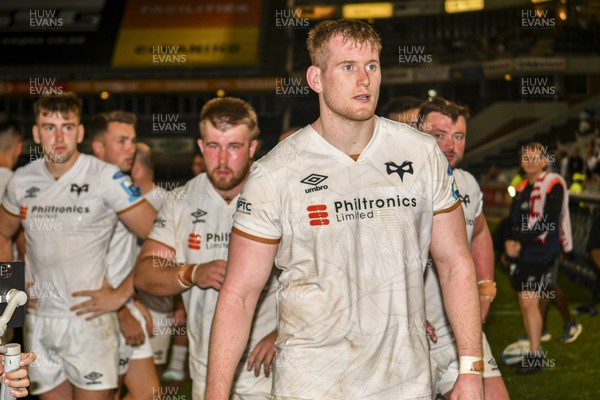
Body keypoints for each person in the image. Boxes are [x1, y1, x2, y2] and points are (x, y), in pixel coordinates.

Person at [206, 19, 483, 399]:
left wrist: (471, 369)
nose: (364, 79)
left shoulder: (420, 154)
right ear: (316, 78)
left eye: (372, 66)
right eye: (348, 67)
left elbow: (454, 263)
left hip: (405, 383)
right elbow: (238, 294)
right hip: (312, 386)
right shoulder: (276, 172)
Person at [0, 92, 155, 400]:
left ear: (80, 132)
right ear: (36, 132)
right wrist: (10, 297)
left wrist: (122, 295)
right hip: (41, 321)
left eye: (67, 127)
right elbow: (3, 236)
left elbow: (161, 235)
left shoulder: (105, 177)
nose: (59, 137)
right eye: (49, 127)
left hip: (90, 323)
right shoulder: (21, 180)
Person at [134, 97, 277, 399]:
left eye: (234, 147)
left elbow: (319, 275)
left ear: (252, 148)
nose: (223, 160)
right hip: (206, 371)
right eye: (214, 147)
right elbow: (145, 273)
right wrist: (192, 272)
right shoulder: (181, 200)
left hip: (271, 370)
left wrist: (284, 333)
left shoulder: (276, 194)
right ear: (200, 147)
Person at [419, 97, 509, 399]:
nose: (450, 145)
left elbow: (481, 231)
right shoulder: (399, 189)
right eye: (439, 135)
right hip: (410, 335)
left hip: (459, 331)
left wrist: (485, 287)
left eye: (458, 137)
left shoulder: (467, 183)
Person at [88, 112, 159, 400]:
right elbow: (82, 264)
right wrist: (120, 309)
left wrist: (131, 295)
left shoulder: (121, 186)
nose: (131, 147)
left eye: (132, 140)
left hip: (122, 303)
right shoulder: (86, 190)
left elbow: (160, 239)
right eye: (122, 141)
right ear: (98, 148)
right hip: (99, 313)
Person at [505, 142, 582, 374]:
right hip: (524, 252)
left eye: (534, 157)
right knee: (526, 303)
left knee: (530, 301)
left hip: (542, 252)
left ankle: (536, 356)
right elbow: (512, 221)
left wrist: (519, 241)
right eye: (525, 157)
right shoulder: (520, 189)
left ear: (544, 161)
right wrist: (508, 242)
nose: (529, 161)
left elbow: (549, 219)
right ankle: (535, 349)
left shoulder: (553, 184)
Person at [130, 142, 185, 380]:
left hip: (157, 304)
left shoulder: (165, 201)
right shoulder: (121, 200)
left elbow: (182, 255)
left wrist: (181, 304)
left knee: (152, 375)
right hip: (124, 301)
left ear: (137, 168)